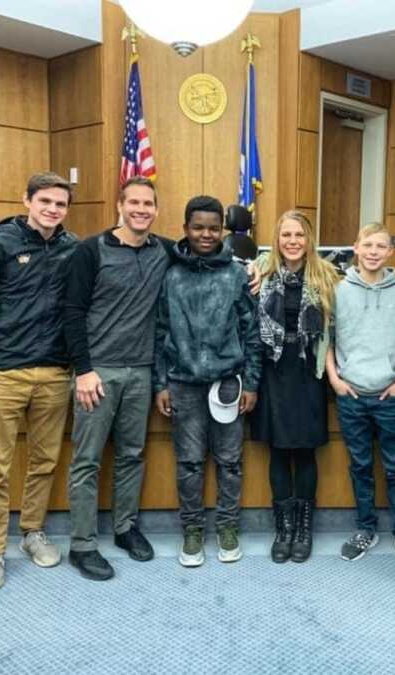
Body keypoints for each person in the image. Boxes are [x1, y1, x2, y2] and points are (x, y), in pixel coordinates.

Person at [0, 172, 78, 591]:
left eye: (60, 203)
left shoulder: (73, 249)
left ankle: (32, 532)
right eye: (45, 200)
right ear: (25, 199)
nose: (52, 209)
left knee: (44, 462)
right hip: (4, 373)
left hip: (54, 374)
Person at [62, 177, 171, 581]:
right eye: (135, 202)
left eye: (149, 204)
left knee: (131, 455)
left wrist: (256, 267)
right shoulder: (90, 251)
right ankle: (82, 545)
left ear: (157, 210)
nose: (142, 209)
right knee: (87, 460)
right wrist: (84, 370)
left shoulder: (164, 251)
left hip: (140, 372)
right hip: (98, 373)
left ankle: (125, 528)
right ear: (120, 206)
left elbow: (204, 257)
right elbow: (72, 312)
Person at [154, 195, 262, 568]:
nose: (206, 234)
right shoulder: (170, 273)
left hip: (228, 384)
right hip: (182, 383)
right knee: (189, 463)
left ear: (223, 231)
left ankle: (228, 528)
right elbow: (159, 331)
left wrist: (251, 383)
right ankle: (192, 532)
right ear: (185, 229)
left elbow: (252, 333)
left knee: (230, 462)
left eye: (214, 228)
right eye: (198, 227)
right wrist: (160, 384)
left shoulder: (237, 274)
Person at [326, 222, 395, 571]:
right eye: (367, 244)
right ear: (355, 247)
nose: (373, 251)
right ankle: (365, 529)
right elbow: (328, 338)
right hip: (351, 393)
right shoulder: (338, 291)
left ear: (390, 252)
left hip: (391, 396)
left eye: (380, 246)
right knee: (361, 466)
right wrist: (335, 380)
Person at [252, 210, 339, 563]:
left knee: (304, 450)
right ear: (277, 239)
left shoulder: (328, 275)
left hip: (308, 368)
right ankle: (283, 529)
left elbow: (338, 328)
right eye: (286, 235)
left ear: (309, 240)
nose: (292, 241)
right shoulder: (260, 272)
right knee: (278, 449)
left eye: (299, 235)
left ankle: (303, 529)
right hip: (272, 368)